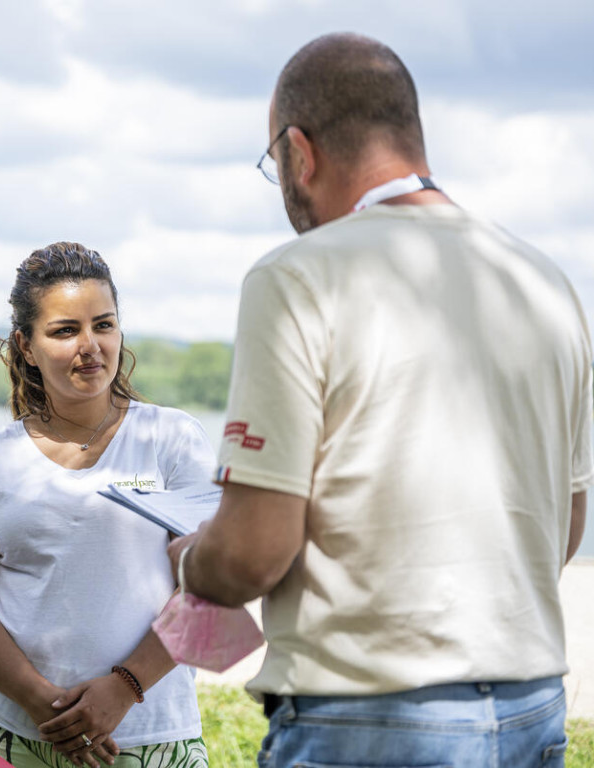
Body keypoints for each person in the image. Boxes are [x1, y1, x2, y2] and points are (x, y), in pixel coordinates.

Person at [167, 33, 591, 767]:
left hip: (367, 714)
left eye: (276, 166)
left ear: (300, 151)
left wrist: (192, 561)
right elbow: (566, 521)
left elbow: (252, 555)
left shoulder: (296, 278)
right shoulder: (544, 281)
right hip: (531, 703)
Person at [0, 242, 214, 768]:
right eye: (65, 331)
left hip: (148, 735)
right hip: (4, 732)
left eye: (103, 325)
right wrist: (40, 701)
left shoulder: (173, 439)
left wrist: (125, 688)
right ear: (26, 345)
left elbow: (205, 591)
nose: (90, 346)